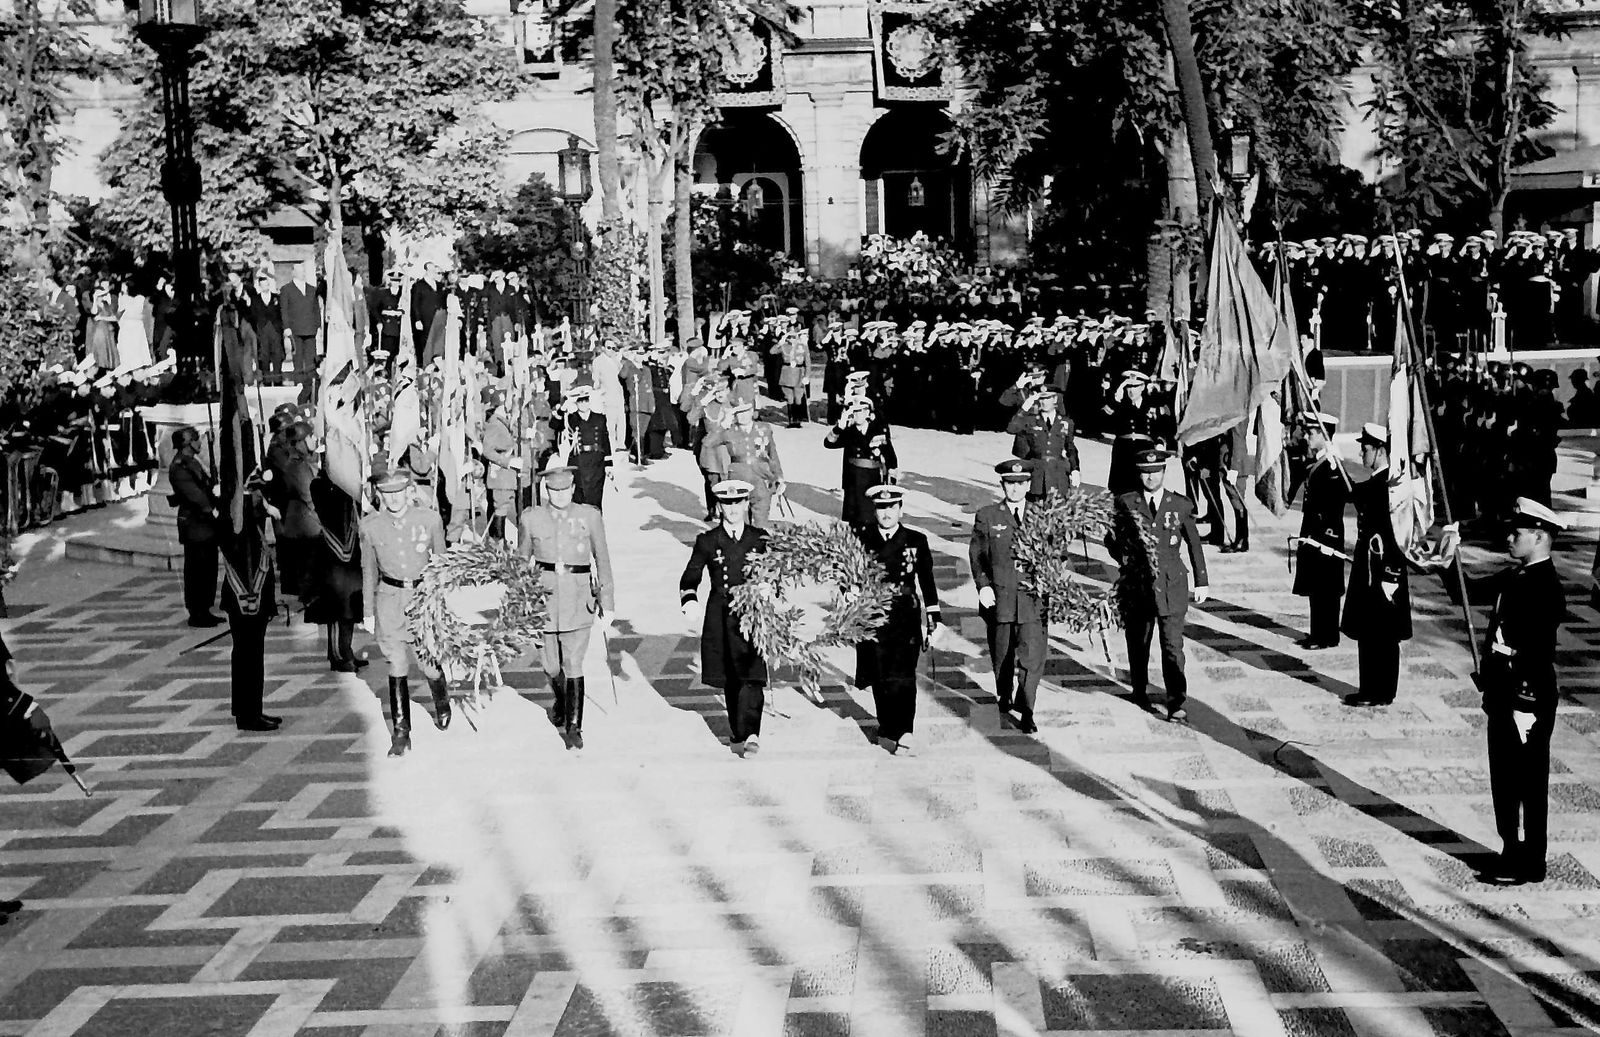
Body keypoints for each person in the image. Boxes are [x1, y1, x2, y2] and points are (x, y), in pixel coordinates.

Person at [1470, 497, 1566, 885]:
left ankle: (1532, 861)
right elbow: (1471, 589)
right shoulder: (1516, 577)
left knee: (1528, 781)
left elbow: (1536, 650)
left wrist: (1523, 701)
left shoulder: (1547, 588)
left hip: (1526, 698)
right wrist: (1445, 558)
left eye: (1518, 532)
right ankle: (1511, 848)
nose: (1510, 537)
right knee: (1504, 778)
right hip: (1501, 693)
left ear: (1540, 537)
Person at [1108, 448, 1209, 722]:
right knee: (1138, 642)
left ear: (1164, 472)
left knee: (1172, 646)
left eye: (1155, 472)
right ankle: (1139, 690)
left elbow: (1194, 544)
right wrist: (1124, 556)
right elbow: (1112, 538)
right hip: (1139, 586)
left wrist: (1202, 580)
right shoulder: (1126, 503)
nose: (1150, 478)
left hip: (1171, 585)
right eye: (1145, 473)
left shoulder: (1180, 505)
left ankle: (1176, 701)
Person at [518, 463, 614, 750]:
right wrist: (519, 601)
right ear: (546, 491)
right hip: (543, 596)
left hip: (577, 595)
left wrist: (607, 602)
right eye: (553, 491)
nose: (559, 496)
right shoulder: (531, 519)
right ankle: (561, 699)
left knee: (573, 662)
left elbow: (603, 559)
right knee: (550, 664)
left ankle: (574, 727)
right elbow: (521, 563)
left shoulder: (589, 516)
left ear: (573, 489)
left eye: (564, 490)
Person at [360, 471, 452, 756]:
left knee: (427, 665)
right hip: (389, 601)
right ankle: (401, 733)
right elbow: (369, 571)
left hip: (422, 600)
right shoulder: (370, 526)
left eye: (399, 492)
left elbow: (441, 564)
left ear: (410, 492)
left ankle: (441, 701)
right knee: (396, 664)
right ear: (380, 496)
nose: (394, 499)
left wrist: (441, 604)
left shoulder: (429, 519)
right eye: (387, 494)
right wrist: (368, 611)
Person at [679, 479, 770, 757]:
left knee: (752, 674)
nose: (732, 509)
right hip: (721, 613)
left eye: (737, 503)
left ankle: (752, 732)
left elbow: (773, 571)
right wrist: (689, 599)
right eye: (727, 504)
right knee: (732, 677)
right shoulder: (708, 540)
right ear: (720, 506)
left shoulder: (759, 538)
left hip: (751, 612)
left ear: (745, 504)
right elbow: (690, 576)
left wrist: (768, 586)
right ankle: (738, 731)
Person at [854, 486, 940, 755]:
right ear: (875, 511)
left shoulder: (915, 539)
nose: (887, 513)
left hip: (905, 616)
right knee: (880, 675)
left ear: (900, 510)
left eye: (892, 507)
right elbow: (847, 572)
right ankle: (887, 726)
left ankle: (906, 731)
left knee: (904, 676)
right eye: (881, 508)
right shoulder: (860, 539)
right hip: (873, 615)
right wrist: (849, 594)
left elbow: (926, 579)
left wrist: (934, 617)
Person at [969, 459, 1046, 734]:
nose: (1015, 489)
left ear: (1028, 485)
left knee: (1031, 657)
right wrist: (983, 585)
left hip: (1032, 599)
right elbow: (977, 554)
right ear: (1002, 485)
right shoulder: (988, 515)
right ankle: (1004, 692)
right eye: (1009, 484)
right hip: (1000, 597)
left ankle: (1027, 710)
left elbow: (1057, 553)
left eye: (1020, 484)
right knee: (1002, 654)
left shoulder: (1042, 516)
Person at [1342, 423, 1411, 707]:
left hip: (1383, 570)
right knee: (1371, 630)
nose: (1361, 453)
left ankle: (1379, 691)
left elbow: (1397, 534)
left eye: (1366, 449)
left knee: (1381, 633)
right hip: (1371, 567)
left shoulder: (1389, 487)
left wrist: (1391, 575)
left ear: (1381, 451)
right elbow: (1357, 495)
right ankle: (1372, 687)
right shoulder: (1377, 483)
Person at [220, 494, 282, 732]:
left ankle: (250, 709)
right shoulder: (241, 536)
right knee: (248, 658)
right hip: (244, 604)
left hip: (251, 604)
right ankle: (248, 715)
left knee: (251, 657)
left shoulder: (251, 531)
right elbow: (252, 571)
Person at [1292, 412, 1350, 649]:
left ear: (1324, 435)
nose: (1307, 437)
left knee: (1327, 587)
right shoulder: (1317, 462)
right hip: (1313, 530)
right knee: (1316, 585)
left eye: (1312, 433)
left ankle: (1328, 636)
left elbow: (1338, 500)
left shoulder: (1333, 465)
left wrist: (1323, 534)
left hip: (1327, 533)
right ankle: (1317, 632)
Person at [304, 473, 367, 672]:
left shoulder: (346, 486)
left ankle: (346, 650)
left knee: (350, 609)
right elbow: (320, 497)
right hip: (331, 554)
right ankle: (337, 655)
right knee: (336, 609)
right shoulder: (321, 485)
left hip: (350, 553)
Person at [169, 427, 222, 627]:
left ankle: (205, 608)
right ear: (188, 442)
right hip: (195, 523)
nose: (200, 443)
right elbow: (195, 495)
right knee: (197, 570)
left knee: (208, 568)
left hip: (205, 525)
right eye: (197, 440)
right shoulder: (179, 465)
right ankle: (197, 611)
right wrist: (212, 509)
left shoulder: (192, 461)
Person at [704, 402, 785, 528]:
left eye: (745, 412)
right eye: (738, 413)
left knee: (761, 519)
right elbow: (708, 443)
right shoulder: (729, 431)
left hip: (761, 477)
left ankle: (759, 544)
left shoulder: (764, 429)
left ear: (752, 411)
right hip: (739, 478)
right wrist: (722, 425)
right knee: (741, 520)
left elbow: (772, 454)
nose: (742, 416)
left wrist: (779, 476)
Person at [824, 394, 897, 525]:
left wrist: (890, 481)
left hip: (872, 478)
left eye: (860, 411)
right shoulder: (848, 431)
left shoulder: (878, 430)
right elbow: (828, 443)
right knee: (854, 518)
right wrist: (838, 427)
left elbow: (890, 456)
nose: (857, 415)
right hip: (853, 479)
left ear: (867, 412)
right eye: (854, 412)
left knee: (871, 515)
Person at [1008, 388, 1081, 501]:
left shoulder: (1066, 422)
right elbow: (1011, 428)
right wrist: (1025, 408)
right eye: (1041, 398)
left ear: (1055, 399)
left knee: (1057, 511)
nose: (1044, 402)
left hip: (1058, 475)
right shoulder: (1030, 420)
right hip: (1036, 474)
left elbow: (1070, 447)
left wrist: (1075, 469)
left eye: (1047, 398)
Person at [480, 390, 522, 540]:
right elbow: (487, 450)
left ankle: (499, 545)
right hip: (500, 475)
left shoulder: (503, 422)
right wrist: (508, 461)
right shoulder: (495, 424)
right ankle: (497, 547)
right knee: (500, 510)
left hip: (506, 476)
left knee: (503, 508)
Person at [562, 386, 613, 510]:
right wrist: (563, 408)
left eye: (586, 400)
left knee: (595, 499)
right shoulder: (571, 418)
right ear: (576, 403)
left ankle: (595, 526)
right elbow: (554, 425)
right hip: (578, 461)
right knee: (579, 498)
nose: (583, 404)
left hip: (596, 462)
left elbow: (605, 441)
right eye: (580, 401)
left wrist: (609, 465)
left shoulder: (599, 418)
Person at [280, 259, 321, 404]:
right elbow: (284, 310)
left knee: (311, 355)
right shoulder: (286, 290)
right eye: (299, 271)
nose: (302, 273)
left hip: (310, 327)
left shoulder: (311, 289)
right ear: (293, 273)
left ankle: (311, 379)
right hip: (295, 328)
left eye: (303, 271)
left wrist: (318, 325)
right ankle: (299, 379)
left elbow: (316, 308)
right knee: (298, 356)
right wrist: (286, 327)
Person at [774, 325, 812, 427]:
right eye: (789, 337)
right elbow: (772, 352)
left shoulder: (803, 347)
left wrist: (807, 376)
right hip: (787, 373)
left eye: (794, 337)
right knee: (789, 398)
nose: (792, 339)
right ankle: (791, 421)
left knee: (798, 397)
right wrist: (780, 342)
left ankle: (798, 420)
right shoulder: (784, 346)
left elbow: (808, 363)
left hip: (799, 373)